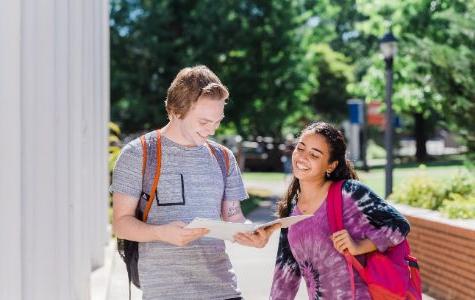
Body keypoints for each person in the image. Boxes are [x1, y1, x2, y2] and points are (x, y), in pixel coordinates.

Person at [110, 65, 277, 300]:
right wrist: (161, 233)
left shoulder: (223, 158)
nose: (212, 129)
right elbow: (121, 224)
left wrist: (252, 234)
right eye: (204, 121)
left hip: (223, 289)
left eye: (217, 121)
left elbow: (233, 217)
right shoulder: (139, 154)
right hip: (165, 292)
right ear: (177, 111)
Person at [267, 121, 411, 299]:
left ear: (331, 165)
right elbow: (285, 273)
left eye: (314, 154)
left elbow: (399, 225)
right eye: (301, 148)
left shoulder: (348, 193)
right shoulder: (291, 208)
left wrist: (360, 246)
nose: (302, 157)